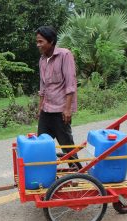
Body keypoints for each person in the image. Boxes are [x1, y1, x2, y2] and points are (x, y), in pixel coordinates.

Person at [35, 26, 80, 164]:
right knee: (42, 146)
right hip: (46, 110)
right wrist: (40, 107)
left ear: (51, 41)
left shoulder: (65, 55)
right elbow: (43, 86)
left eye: (41, 42)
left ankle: (78, 173)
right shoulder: (42, 60)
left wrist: (67, 109)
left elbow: (70, 84)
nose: (38, 45)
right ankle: (46, 175)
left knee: (67, 146)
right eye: (37, 42)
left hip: (60, 110)